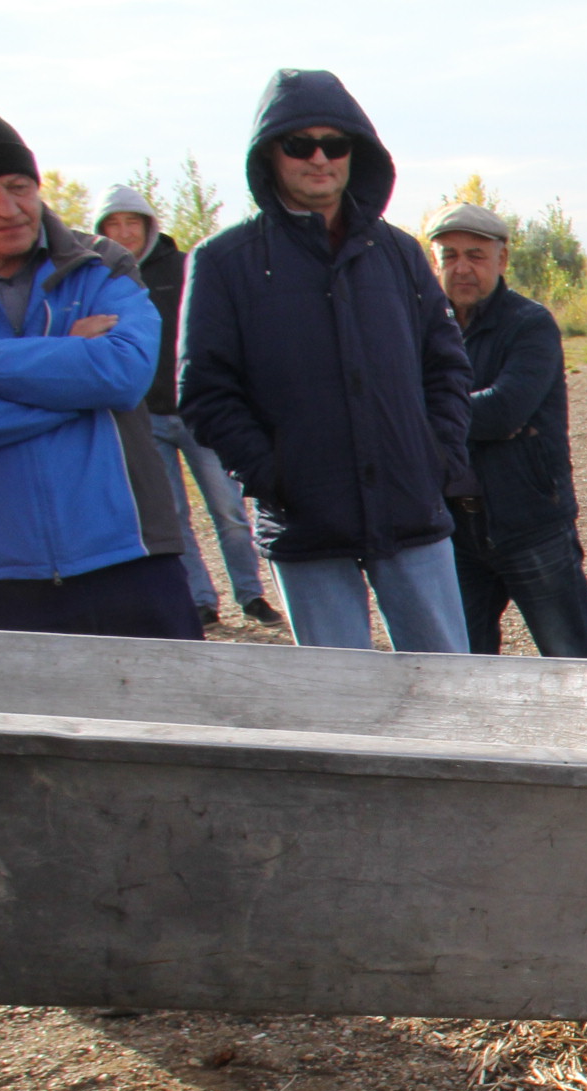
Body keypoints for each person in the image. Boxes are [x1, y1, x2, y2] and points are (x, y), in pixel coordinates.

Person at [178, 69, 473, 653]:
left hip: (410, 507)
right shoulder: (224, 261)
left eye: (334, 143)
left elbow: (446, 365)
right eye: (299, 144)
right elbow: (205, 389)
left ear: (355, 152)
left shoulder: (397, 252)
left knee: (448, 689)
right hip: (306, 521)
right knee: (338, 704)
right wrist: (273, 474)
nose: (319, 158)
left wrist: (436, 456)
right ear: (270, 154)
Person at [0, 95, 201, 639]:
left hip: (132, 557)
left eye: (19, 186)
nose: (8, 208)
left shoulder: (101, 262)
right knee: (20, 729)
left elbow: (125, 374)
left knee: (173, 721)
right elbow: (101, 382)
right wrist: (75, 379)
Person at [92, 183, 277, 630]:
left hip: (196, 413)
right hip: (141, 417)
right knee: (173, 515)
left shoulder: (183, 267)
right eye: (113, 224)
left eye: (131, 222)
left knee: (229, 510)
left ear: (148, 225)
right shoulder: (97, 280)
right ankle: (202, 600)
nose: (123, 232)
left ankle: (252, 594)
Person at [426, 202, 587, 657]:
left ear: (501, 260)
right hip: (453, 530)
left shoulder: (529, 324)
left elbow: (505, 410)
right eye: (449, 256)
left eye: (475, 255)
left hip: (530, 522)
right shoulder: (422, 328)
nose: (461, 268)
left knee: (575, 667)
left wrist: (422, 414)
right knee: (464, 669)